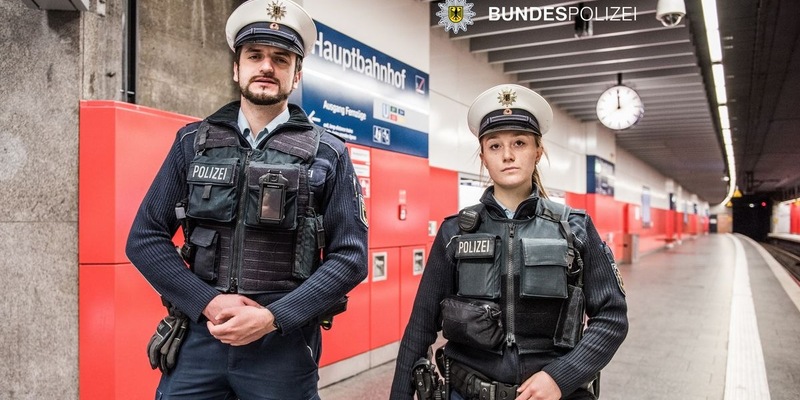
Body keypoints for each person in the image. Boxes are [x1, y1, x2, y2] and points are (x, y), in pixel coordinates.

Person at [125, 0, 368, 398]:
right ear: (236, 68)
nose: (267, 67)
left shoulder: (329, 153)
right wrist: (207, 302)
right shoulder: (192, 143)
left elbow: (351, 257)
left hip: (282, 348)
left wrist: (274, 317)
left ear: (297, 74)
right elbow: (145, 237)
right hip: (199, 339)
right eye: (255, 55)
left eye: (281, 58)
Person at [390, 84, 628, 400]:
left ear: (537, 152)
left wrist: (560, 377)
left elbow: (612, 317)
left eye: (519, 143)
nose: (508, 155)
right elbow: (420, 328)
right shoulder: (455, 234)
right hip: (467, 391)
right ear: (484, 156)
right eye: (495, 146)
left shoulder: (574, 228)